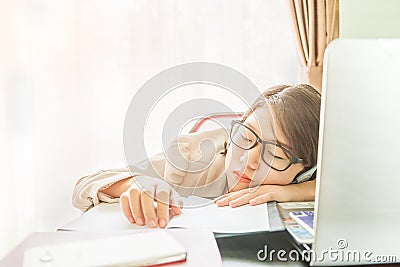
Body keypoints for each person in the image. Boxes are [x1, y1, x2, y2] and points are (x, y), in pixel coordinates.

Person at [72, 84, 321, 229]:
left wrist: (295, 192)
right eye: (246, 136)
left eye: (276, 154)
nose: (249, 159)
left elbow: (354, 185)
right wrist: (137, 184)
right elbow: (84, 185)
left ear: (305, 170)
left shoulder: (307, 177)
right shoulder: (191, 158)